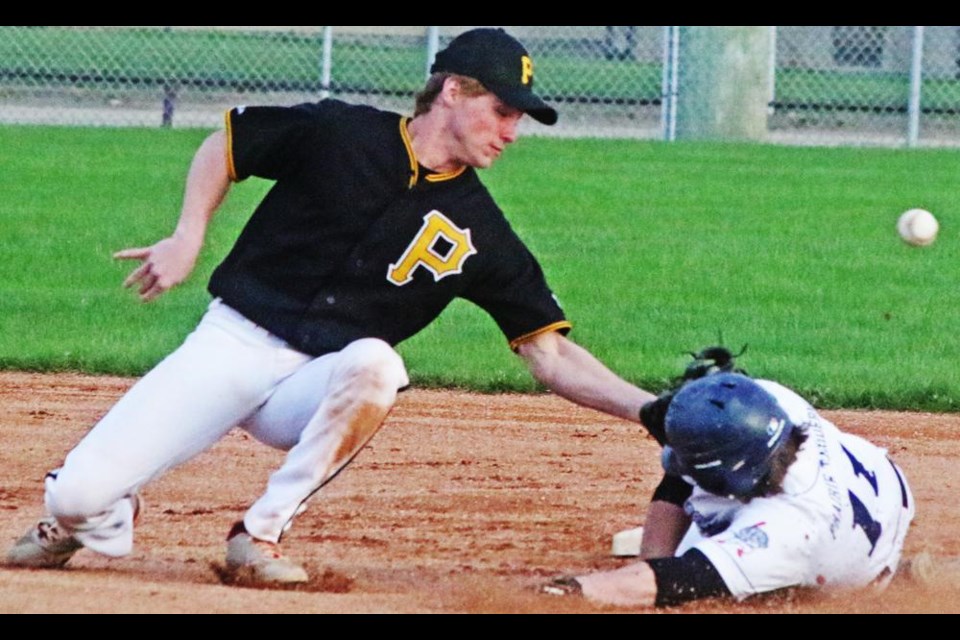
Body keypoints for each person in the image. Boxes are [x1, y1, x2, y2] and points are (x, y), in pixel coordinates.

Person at [5, 28, 656, 586]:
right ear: (453, 90)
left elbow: (548, 351)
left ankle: (257, 536)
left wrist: (650, 410)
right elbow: (226, 145)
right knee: (81, 494)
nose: (512, 131)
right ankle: (95, 516)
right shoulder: (340, 133)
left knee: (376, 364)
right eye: (504, 109)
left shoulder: (481, 231)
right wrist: (188, 235)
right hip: (233, 344)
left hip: (315, 384)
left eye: (521, 118)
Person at [542, 369, 916, 608]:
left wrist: (566, 591)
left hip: (858, 570)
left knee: (723, 589)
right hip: (879, 482)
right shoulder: (765, 403)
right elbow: (682, 474)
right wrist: (652, 557)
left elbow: (671, 581)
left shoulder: (784, 531)